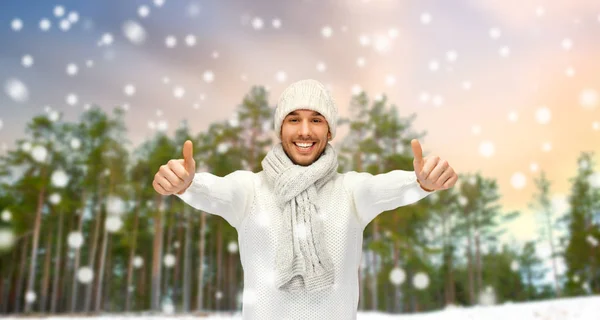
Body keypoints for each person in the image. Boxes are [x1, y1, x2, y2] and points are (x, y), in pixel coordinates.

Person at [152, 79, 458, 319]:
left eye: (317, 120)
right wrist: (186, 183)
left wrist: (420, 181)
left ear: (330, 131)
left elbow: (384, 187)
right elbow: (214, 191)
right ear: (280, 129)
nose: (305, 131)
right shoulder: (250, 190)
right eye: (293, 119)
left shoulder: (350, 191)